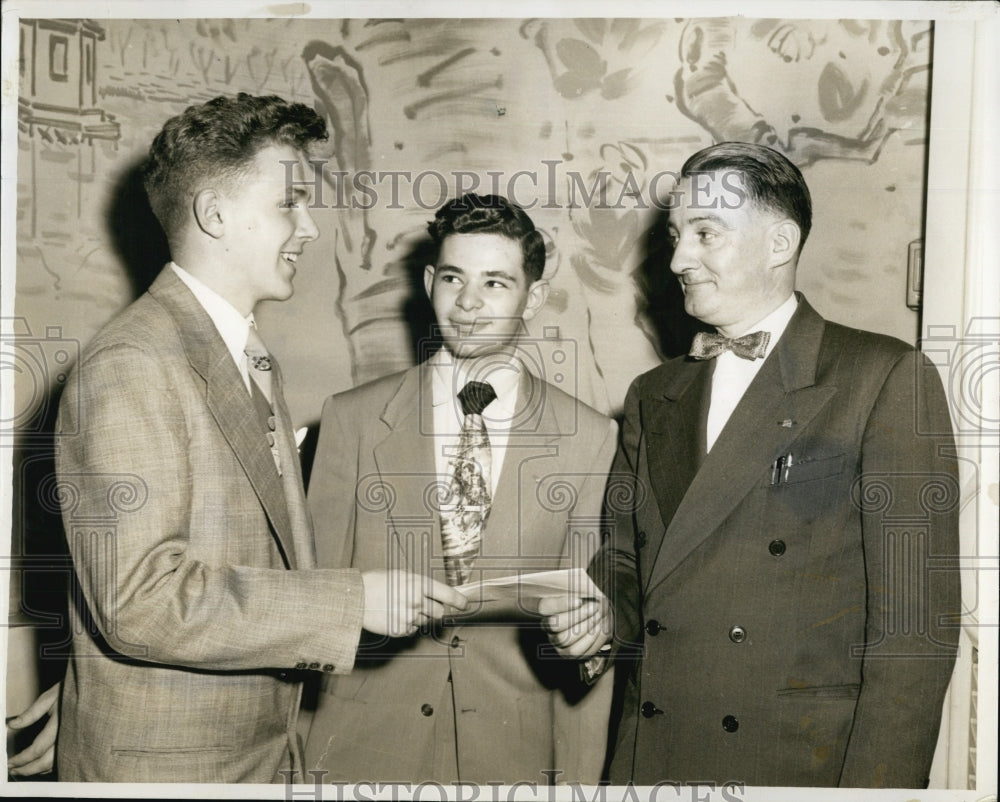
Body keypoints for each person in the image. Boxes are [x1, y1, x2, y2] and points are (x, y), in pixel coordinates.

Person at [30, 93, 465, 783]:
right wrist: (351, 603)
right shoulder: (132, 365)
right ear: (215, 214)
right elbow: (139, 601)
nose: (310, 227)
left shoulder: (243, 353)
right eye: (289, 202)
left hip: (249, 758)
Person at [544, 142, 961, 787]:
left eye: (706, 233)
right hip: (653, 756)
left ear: (779, 243)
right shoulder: (653, 396)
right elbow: (628, 563)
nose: (679, 259)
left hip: (795, 766)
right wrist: (599, 620)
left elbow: (914, 632)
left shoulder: (884, 378)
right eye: (678, 236)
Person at [301, 194, 618, 784]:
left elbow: (585, 625)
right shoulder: (351, 419)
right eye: (453, 277)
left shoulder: (590, 438)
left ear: (535, 296)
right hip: (358, 750)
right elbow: (311, 600)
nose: (469, 302)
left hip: (514, 759)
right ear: (429, 282)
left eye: (496, 283)